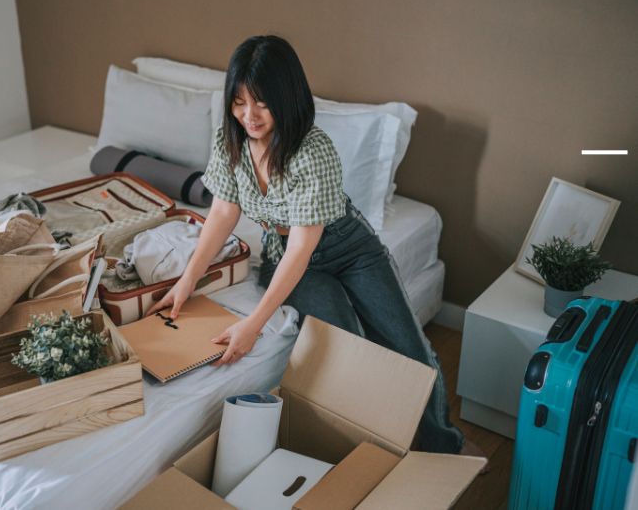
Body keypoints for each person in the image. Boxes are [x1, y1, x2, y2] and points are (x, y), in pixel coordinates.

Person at [147, 35, 470, 455]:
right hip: (286, 254)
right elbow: (224, 213)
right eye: (239, 101)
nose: (250, 115)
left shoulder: (312, 151)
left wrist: (254, 325)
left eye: (261, 102)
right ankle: (373, 446)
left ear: (286, 96)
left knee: (409, 348)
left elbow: (304, 244)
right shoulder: (229, 141)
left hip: (347, 247)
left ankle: (445, 445)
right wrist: (187, 280)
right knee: (347, 344)